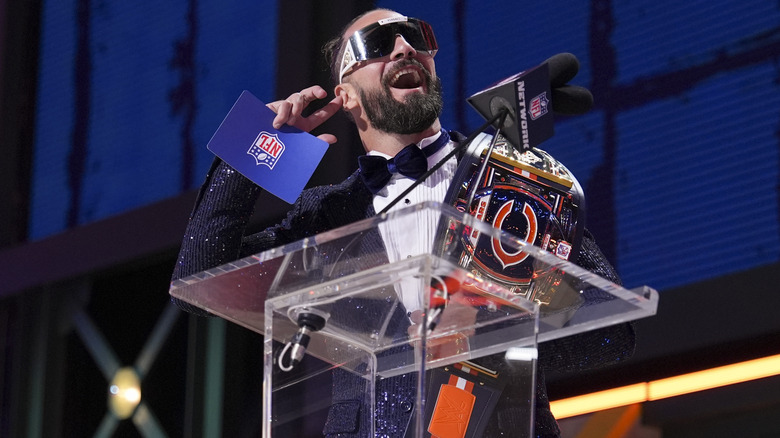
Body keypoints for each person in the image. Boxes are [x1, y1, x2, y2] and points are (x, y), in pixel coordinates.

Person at [172, 8, 634, 437]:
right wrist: (253, 152)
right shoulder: (326, 214)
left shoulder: (512, 182)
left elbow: (609, 331)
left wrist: (486, 321)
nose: (403, 48)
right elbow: (199, 279)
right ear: (345, 95)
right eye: (377, 44)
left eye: (416, 37)